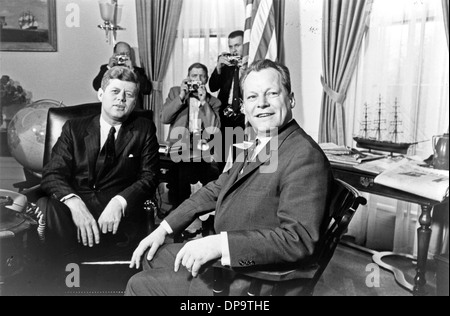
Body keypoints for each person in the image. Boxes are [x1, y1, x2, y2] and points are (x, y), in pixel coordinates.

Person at [125, 59, 334, 296]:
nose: (262, 104)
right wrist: (163, 228)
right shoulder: (266, 143)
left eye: (272, 93)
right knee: (155, 255)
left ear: (291, 99)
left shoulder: (303, 155)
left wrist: (219, 244)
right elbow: (216, 188)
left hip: (250, 279)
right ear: (244, 106)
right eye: (252, 97)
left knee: (138, 284)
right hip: (232, 258)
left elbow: (297, 240)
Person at [38, 66, 160, 267]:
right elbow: (53, 173)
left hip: (119, 220)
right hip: (74, 216)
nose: (121, 99)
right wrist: (75, 204)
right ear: (101, 93)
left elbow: (149, 176)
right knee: (50, 206)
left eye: (129, 95)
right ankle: (66, 279)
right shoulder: (74, 128)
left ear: (134, 102)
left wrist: (119, 202)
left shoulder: (143, 129)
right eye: (115, 91)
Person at [161, 62, 222, 208]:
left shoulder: (214, 101)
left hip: (202, 149)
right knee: (180, 177)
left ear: (206, 80)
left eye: (201, 76)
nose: (198, 79)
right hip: (179, 146)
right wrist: (181, 97)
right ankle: (179, 213)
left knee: (212, 175)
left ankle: (206, 217)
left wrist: (203, 102)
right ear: (188, 77)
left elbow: (214, 128)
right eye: (194, 76)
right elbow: (164, 118)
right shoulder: (175, 92)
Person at [209, 30, 247, 169]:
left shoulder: (251, 64)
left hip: (243, 118)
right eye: (230, 46)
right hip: (225, 117)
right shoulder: (226, 66)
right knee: (222, 158)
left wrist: (244, 72)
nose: (234, 50)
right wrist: (218, 67)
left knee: (241, 158)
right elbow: (212, 87)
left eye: (237, 45)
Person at [92, 42, 152, 109]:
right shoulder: (107, 69)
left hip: (133, 110)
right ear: (115, 55)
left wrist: (132, 70)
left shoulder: (137, 71)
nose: (124, 57)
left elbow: (147, 89)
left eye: (127, 54)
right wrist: (109, 67)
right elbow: (96, 86)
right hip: (112, 109)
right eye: (122, 54)